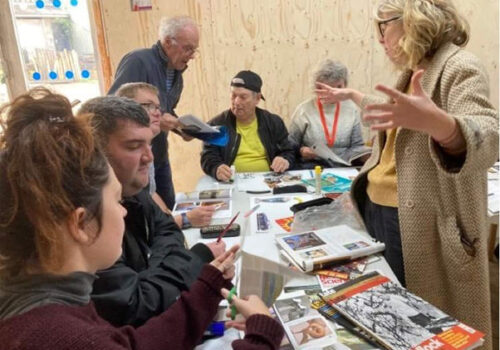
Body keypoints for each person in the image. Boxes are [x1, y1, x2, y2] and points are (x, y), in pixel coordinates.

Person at [0, 87, 284, 349]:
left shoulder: (54, 299)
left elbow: (134, 343)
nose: (123, 209)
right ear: (81, 224)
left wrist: (207, 288)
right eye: (115, 200)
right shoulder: (60, 337)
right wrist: (262, 334)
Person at [315, 1, 498, 348]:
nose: (380, 37)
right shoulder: (415, 70)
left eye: (384, 26)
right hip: (381, 211)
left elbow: (488, 135)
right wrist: (352, 95)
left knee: (417, 325)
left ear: (413, 19)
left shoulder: (460, 66)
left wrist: (444, 127)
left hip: (413, 223)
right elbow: (398, 114)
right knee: (390, 316)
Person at [77, 96, 225, 327]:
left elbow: (167, 229)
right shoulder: (88, 220)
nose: (149, 157)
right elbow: (135, 305)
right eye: (134, 146)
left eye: (150, 144)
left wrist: (150, 276)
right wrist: (194, 259)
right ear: (96, 153)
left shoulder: (134, 189)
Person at [108, 16, 199, 210]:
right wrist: (149, 120)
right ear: (167, 42)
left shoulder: (177, 74)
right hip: (136, 160)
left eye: (194, 50)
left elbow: (166, 110)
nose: (192, 55)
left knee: (168, 210)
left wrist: (181, 129)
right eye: (188, 48)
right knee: (149, 214)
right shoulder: (137, 61)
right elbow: (113, 106)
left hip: (158, 155)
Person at [115, 82, 215, 229]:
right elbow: (142, 226)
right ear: (126, 110)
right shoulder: (124, 159)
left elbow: (151, 193)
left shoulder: (148, 147)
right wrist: (184, 220)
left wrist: (171, 217)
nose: (157, 113)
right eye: (148, 106)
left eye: (157, 107)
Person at [201, 70, 295, 181]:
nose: (236, 102)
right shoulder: (216, 125)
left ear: (258, 98)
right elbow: (208, 156)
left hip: (269, 182)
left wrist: (284, 159)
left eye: (243, 97)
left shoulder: (273, 122)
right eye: (233, 96)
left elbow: (289, 150)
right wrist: (216, 168)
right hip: (231, 182)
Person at [288, 59, 370, 169]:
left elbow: (357, 146)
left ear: (345, 86)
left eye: (338, 87)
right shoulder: (304, 110)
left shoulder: (351, 108)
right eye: (326, 88)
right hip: (312, 166)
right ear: (317, 87)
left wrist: (368, 154)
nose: (333, 92)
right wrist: (301, 151)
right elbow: (290, 144)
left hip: (344, 166)